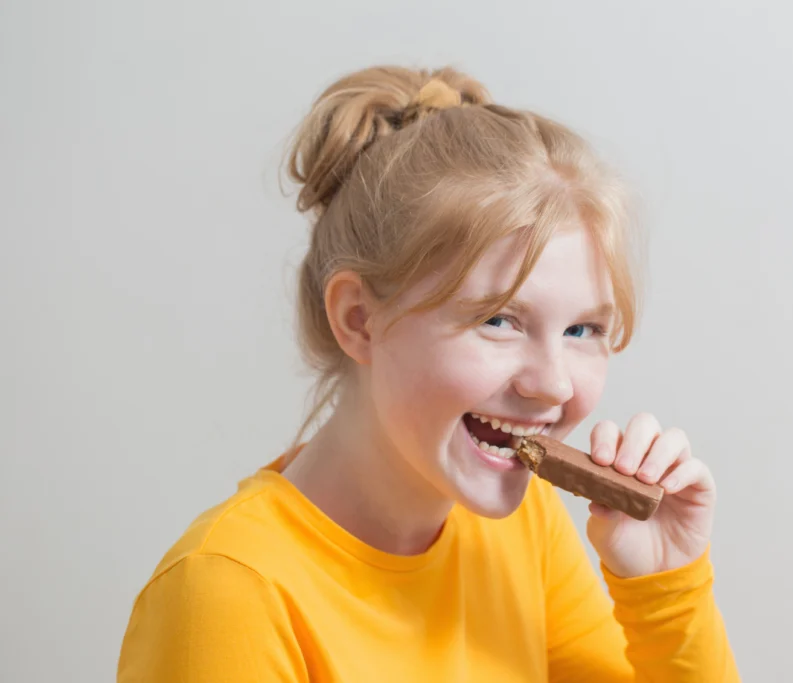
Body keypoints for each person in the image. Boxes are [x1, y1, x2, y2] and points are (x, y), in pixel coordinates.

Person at [117, 65, 740, 682]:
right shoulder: (229, 596)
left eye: (583, 330)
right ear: (359, 319)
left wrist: (667, 588)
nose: (554, 385)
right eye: (499, 319)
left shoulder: (524, 524)